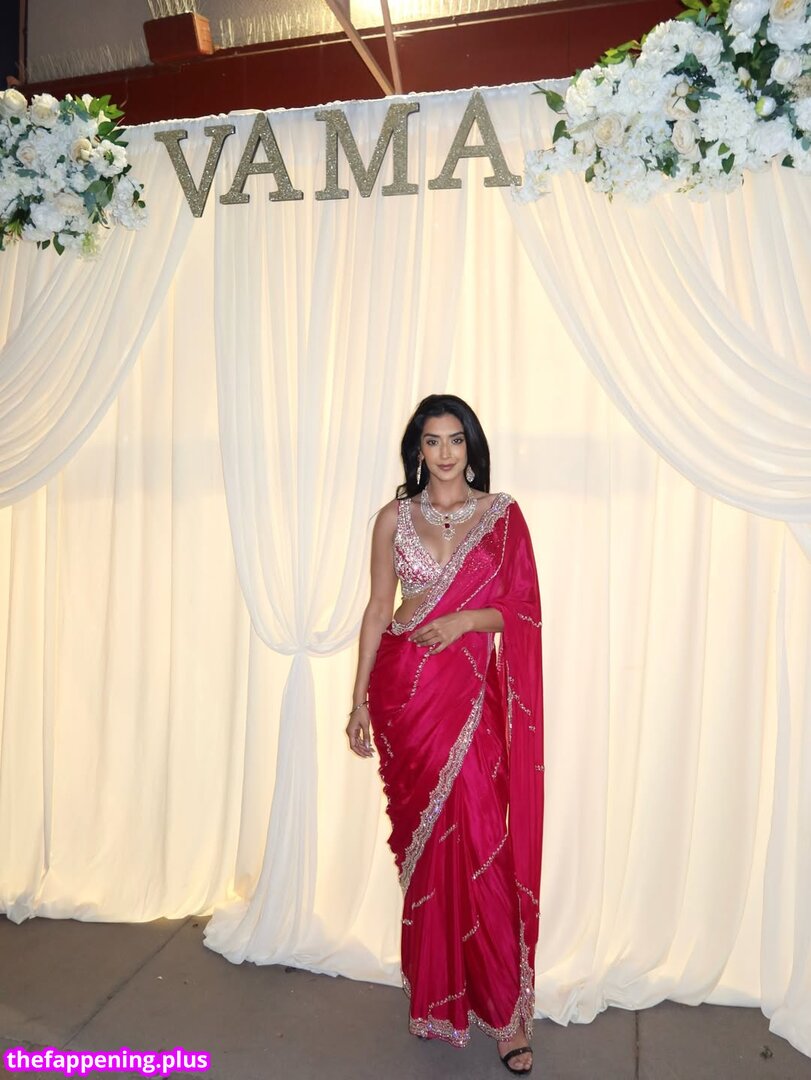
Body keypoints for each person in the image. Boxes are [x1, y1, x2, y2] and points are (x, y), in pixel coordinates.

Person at [346, 394, 544, 1075]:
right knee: (432, 852)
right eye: (432, 441)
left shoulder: (502, 516)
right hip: (405, 695)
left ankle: (505, 1015)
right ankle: (438, 998)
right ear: (417, 450)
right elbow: (379, 608)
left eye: (455, 439)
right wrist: (358, 700)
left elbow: (521, 612)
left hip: (469, 697)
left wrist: (464, 622)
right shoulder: (393, 518)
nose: (445, 453)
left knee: (483, 839)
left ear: (471, 445)